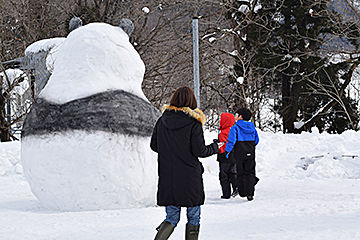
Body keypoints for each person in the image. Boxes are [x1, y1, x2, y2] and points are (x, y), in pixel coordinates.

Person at [150, 86, 220, 240]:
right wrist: (215, 147)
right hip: (189, 177)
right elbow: (200, 151)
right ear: (191, 102)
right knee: (193, 217)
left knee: (172, 218)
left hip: (168, 175)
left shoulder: (162, 121)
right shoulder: (194, 123)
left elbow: (154, 145)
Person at [225, 108, 259, 201]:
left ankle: (243, 192)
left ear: (240, 116)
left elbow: (231, 141)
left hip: (239, 153)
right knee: (250, 172)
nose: (235, 116)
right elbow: (256, 140)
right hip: (250, 153)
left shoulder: (235, 128)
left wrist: (227, 151)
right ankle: (250, 193)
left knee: (240, 172)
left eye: (236, 115)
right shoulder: (252, 127)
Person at [216, 112, 238, 199]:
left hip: (224, 156)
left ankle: (226, 193)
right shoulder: (234, 130)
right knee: (233, 173)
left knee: (224, 176)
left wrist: (216, 145)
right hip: (234, 156)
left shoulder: (223, 132)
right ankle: (236, 186)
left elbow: (222, 144)